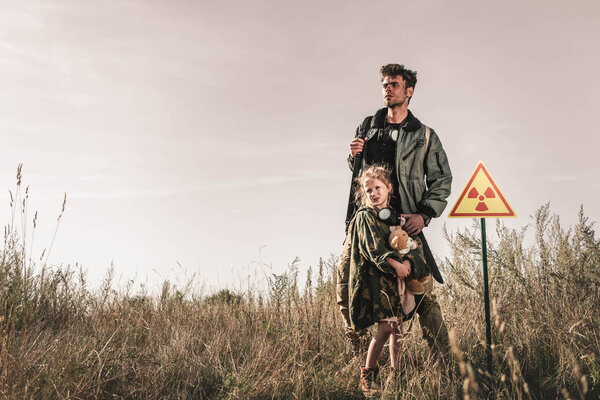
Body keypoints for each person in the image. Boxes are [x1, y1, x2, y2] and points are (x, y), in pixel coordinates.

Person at [346, 64, 452, 364]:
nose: (387, 89)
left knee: (423, 296)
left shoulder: (423, 136)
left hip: (403, 227)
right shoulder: (367, 127)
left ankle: (448, 364)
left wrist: (424, 214)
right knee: (352, 291)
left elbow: (442, 180)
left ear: (409, 91)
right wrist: (352, 156)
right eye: (384, 84)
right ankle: (363, 368)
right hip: (365, 225)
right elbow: (360, 177)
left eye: (394, 84)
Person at [343, 164, 427, 395]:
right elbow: (372, 248)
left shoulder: (395, 218)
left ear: (388, 188)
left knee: (397, 327)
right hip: (378, 282)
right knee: (385, 327)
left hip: (398, 281)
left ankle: (397, 374)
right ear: (364, 193)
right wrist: (396, 264)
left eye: (378, 188)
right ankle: (367, 376)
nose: (374, 193)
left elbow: (411, 243)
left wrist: (409, 263)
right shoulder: (364, 216)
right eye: (368, 190)